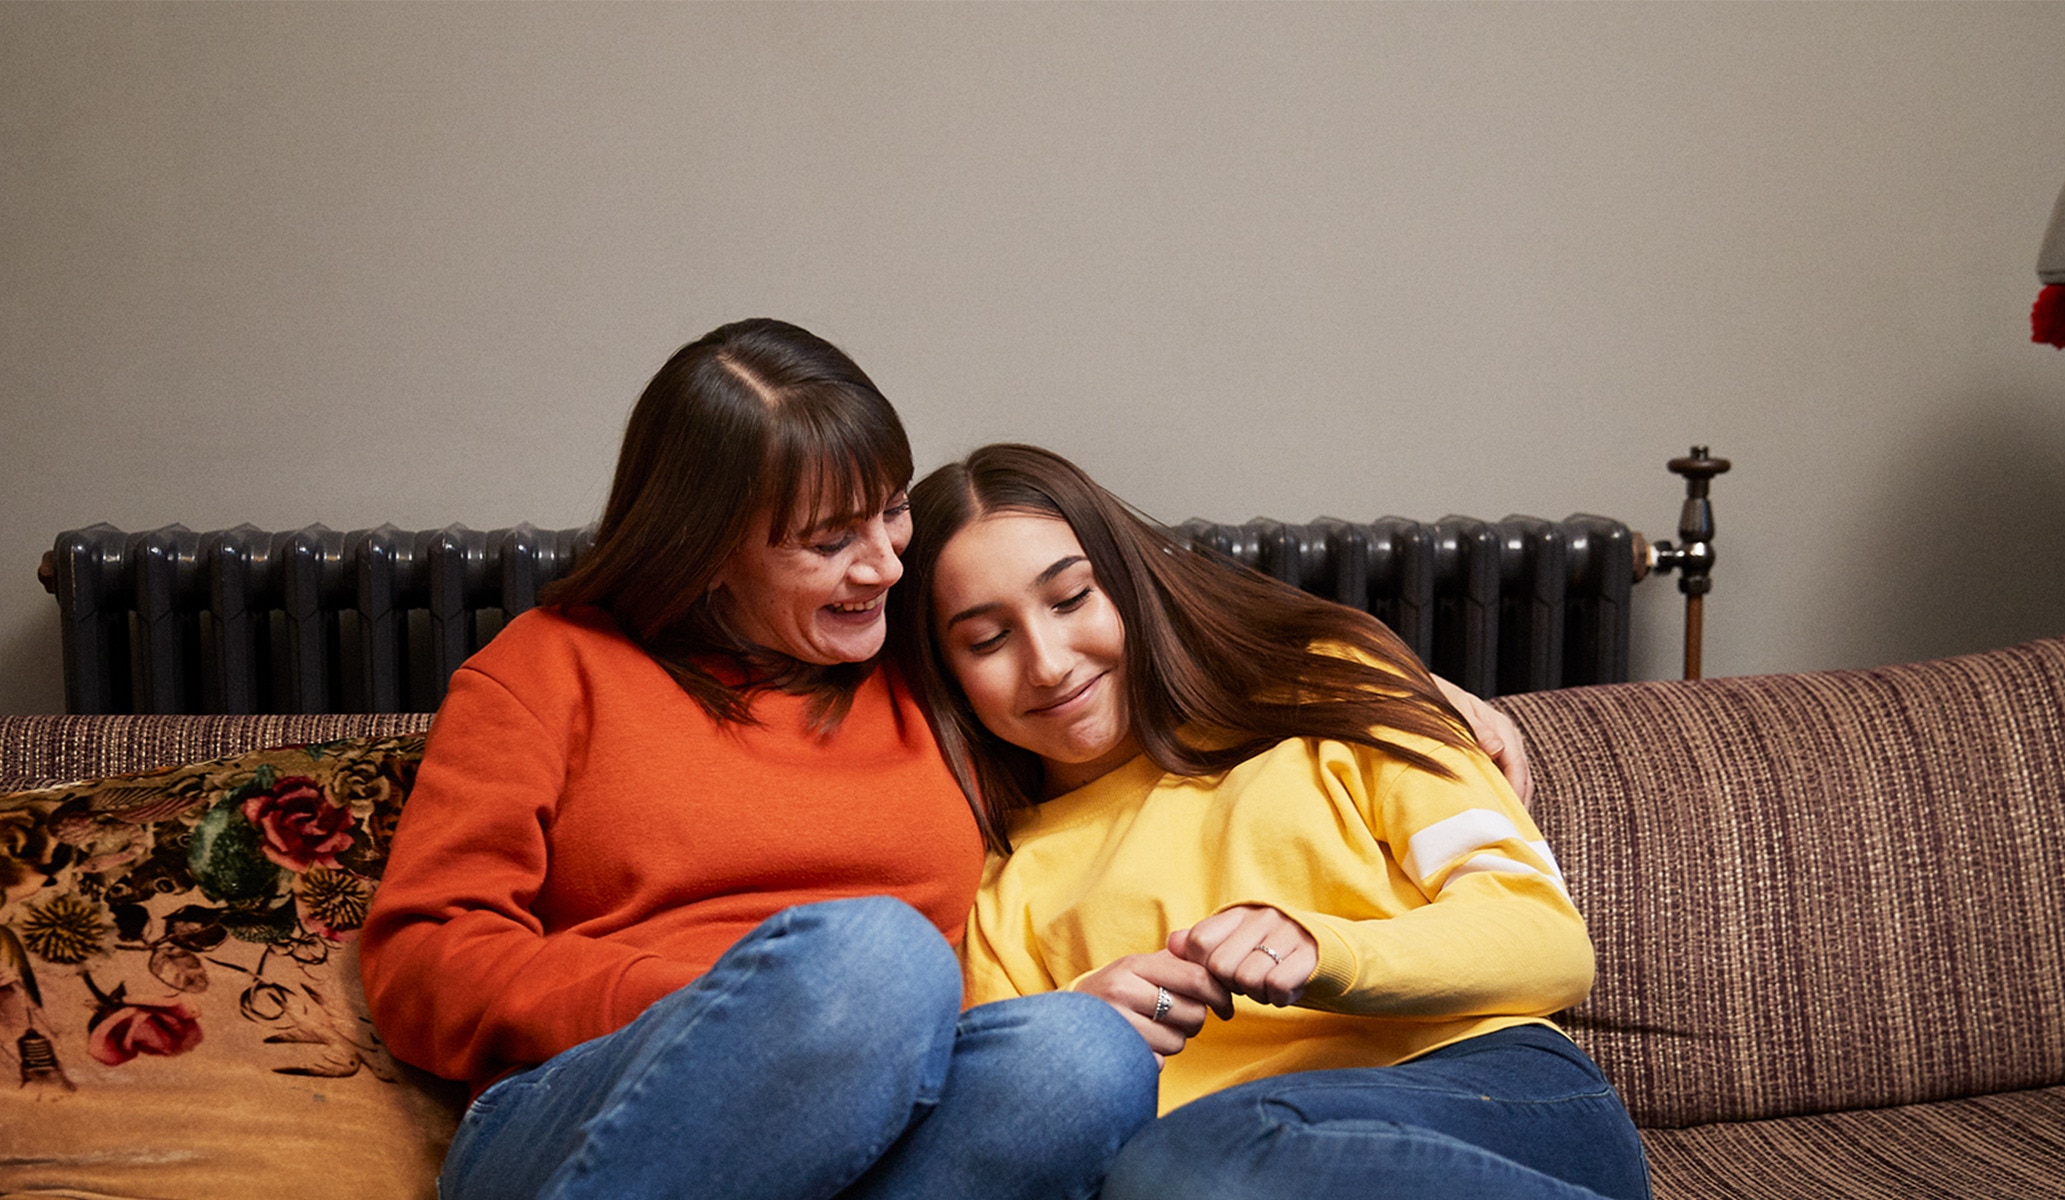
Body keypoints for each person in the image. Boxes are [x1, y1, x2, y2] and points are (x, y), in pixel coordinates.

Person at [358, 321, 1161, 1200]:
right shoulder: (550, 665)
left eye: (891, 510)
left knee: (1085, 1054)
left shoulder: (928, 662)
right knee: (875, 959)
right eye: (828, 542)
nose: (887, 564)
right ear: (705, 550)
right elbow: (422, 957)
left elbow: (1116, 731)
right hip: (597, 1099)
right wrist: (731, 1005)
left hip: (890, 1111)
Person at [891, 443, 1652, 1200]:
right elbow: (1010, 1149)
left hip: (1483, 1091)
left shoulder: (1332, 688)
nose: (1049, 662)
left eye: (1070, 599)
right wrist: (1081, 1030)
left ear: (1129, 584)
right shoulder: (1001, 882)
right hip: (1191, 1171)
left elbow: (1547, 941)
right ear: (948, 673)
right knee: (1170, 1167)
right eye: (987, 639)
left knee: (1204, 1158)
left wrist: (1323, 947)